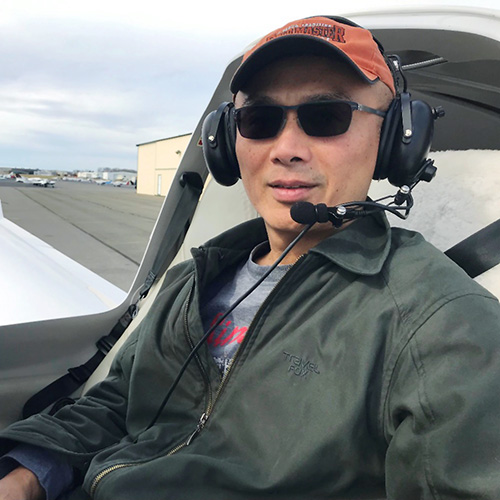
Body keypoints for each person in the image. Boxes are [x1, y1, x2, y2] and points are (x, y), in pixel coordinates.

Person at [1, 15, 500, 500]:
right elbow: (119, 401)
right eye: (259, 120)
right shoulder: (191, 280)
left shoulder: (443, 324)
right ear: (225, 142)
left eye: (327, 116)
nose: (286, 149)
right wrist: (29, 475)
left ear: (395, 139)